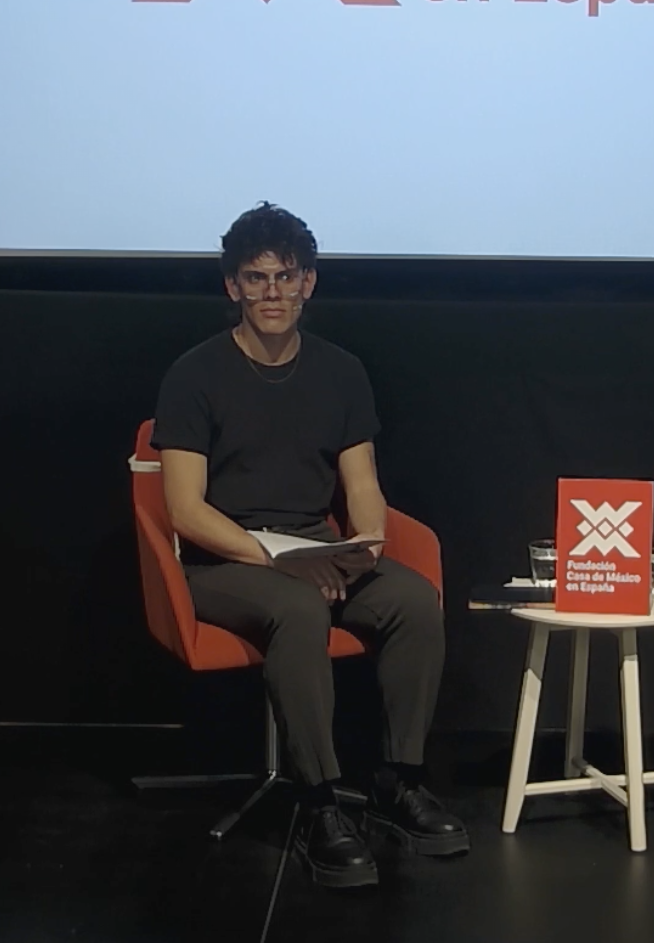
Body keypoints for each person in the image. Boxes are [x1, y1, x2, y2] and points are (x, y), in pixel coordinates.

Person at [152, 203, 466, 889]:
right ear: (232, 286)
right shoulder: (194, 374)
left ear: (308, 283)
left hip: (315, 547)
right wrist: (280, 561)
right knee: (297, 610)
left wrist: (365, 550)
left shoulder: (341, 371)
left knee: (413, 600)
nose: (273, 293)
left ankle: (398, 779)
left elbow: (363, 486)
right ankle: (319, 802)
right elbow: (184, 510)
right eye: (256, 278)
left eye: (285, 277)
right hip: (225, 560)